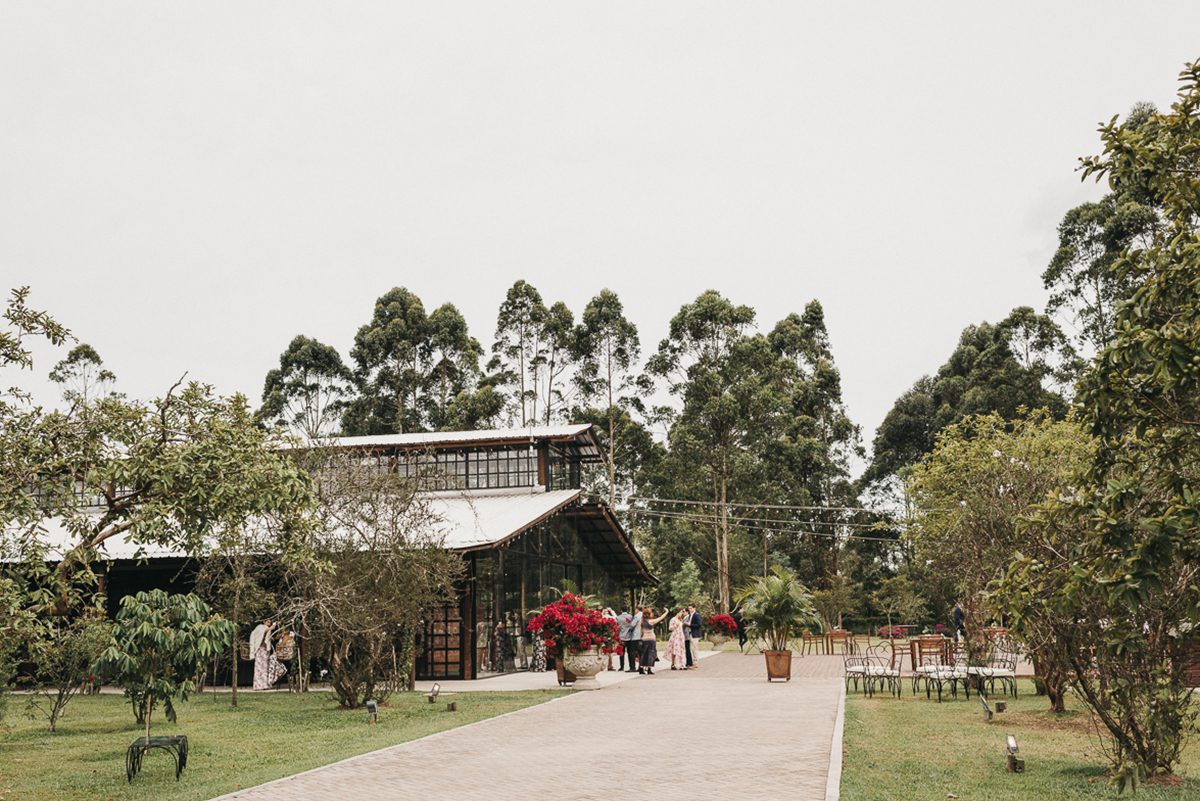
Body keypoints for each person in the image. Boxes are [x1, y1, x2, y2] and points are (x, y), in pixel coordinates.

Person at [249, 617, 287, 691]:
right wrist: (271, 628)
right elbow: (262, 632)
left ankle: (265, 685)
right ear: (264, 621)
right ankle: (258, 686)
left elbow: (268, 639)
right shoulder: (260, 627)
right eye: (268, 622)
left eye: (270, 622)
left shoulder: (268, 629)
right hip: (259, 650)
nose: (269, 623)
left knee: (265, 668)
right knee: (259, 668)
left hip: (265, 650)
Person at [638, 606, 670, 675]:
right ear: (649, 614)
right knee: (650, 653)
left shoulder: (641, 621)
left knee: (643, 654)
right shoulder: (651, 621)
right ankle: (649, 668)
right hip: (651, 639)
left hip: (643, 639)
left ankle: (641, 668)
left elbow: (640, 630)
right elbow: (660, 618)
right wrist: (666, 612)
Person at [621, 607, 642, 673]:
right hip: (642, 635)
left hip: (635, 636)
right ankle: (640, 666)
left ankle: (632, 667)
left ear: (637, 609)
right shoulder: (643, 615)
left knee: (632, 652)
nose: (634, 611)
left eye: (635, 610)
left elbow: (632, 625)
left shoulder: (636, 616)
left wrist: (628, 623)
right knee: (640, 652)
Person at [686, 605, 703, 670]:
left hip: (695, 634)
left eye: (691, 608)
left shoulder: (696, 615)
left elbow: (699, 624)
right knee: (692, 648)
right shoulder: (691, 615)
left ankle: (695, 664)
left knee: (694, 649)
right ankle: (694, 663)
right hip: (691, 633)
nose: (689, 609)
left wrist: (690, 625)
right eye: (689, 608)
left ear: (694, 608)